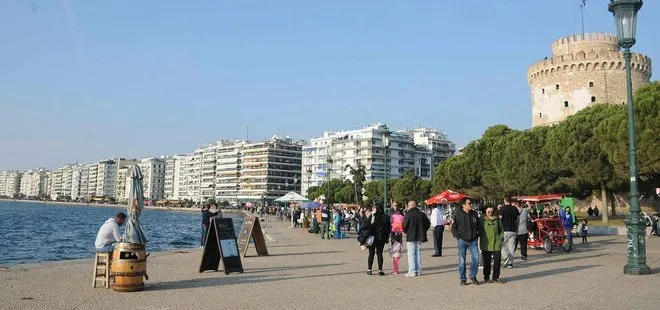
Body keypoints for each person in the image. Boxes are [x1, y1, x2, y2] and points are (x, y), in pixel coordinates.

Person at [452, 198, 481, 286]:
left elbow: (479, 226)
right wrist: (458, 237)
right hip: (462, 241)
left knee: (476, 258)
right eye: (469, 203)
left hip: (473, 241)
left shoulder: (474, 214)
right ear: (463, 205)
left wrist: (477, 234)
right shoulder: (458, 214)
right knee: (462, 261)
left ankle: (472, 276)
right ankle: (463, 279)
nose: (471, 205)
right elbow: (454, 227)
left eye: (471, 203)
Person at [402, 201, 431, 277]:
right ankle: (418, 270)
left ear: (410, 206)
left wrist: (406, 232)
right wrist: (423, 230)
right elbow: (428, 223)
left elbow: (404, 225)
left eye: (408, 205)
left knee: (411, 254)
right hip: (420, 236)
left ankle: (412, 271)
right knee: (418, 253)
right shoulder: (422, 214)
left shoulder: (408, 214)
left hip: (411, 236)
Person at [365, 204, 391, 276]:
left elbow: (369, 226)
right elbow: (388, 229)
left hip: (372, 237)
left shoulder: (373, 216)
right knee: (379, 253)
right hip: (381, 238)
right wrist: (386, 238)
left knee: (371, 253)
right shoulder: (386, 217)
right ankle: (380, 270)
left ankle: (369, 270)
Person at [480, 206, 504, 284]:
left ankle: (496, 277)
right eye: (489, 212)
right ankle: (486, 277)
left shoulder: (497, 219)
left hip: (496, 243)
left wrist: (500, 238)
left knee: (497, 261)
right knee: (487, 262)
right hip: (486, 243)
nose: (490, 213)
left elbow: (501, 230)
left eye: (492, 212)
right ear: (485, 211)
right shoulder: (481, 219)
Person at [500, 197, 519, 268]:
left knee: (500, 245)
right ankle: (510, 263)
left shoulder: (502, 209)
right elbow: (518, 220)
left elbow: (500, 219)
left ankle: (505, 257)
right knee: (511, 247)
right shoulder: (515, 209)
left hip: (504, 230)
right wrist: (517, 228)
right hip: (513, 230)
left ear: (504, 200)